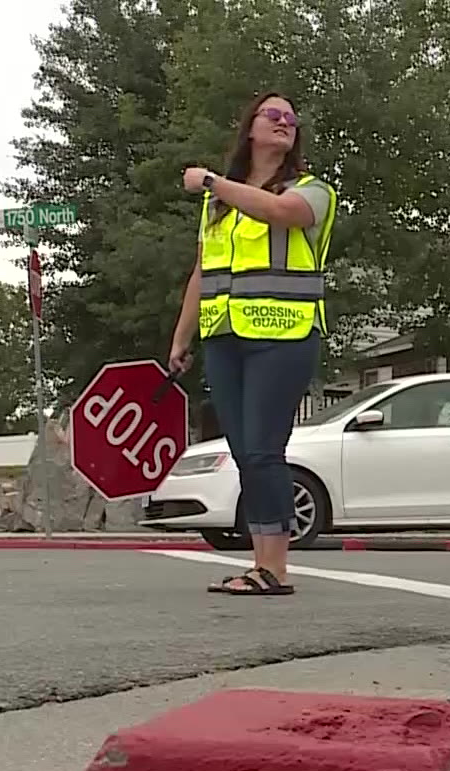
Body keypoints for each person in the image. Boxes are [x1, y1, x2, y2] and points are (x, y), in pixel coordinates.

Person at [167, 91, 339, 597]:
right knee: (246, 453)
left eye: (291, 118)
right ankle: (260, 564)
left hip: (283, 337)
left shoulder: (312, 192)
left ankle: (275, 569)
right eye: (273, 114)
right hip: (225, 338)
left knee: (265, 450)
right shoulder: (217, 206)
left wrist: (215, 182)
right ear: (251, 129)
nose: (285, 121)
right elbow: (202, 271)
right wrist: (181, 338)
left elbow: (281, 212)